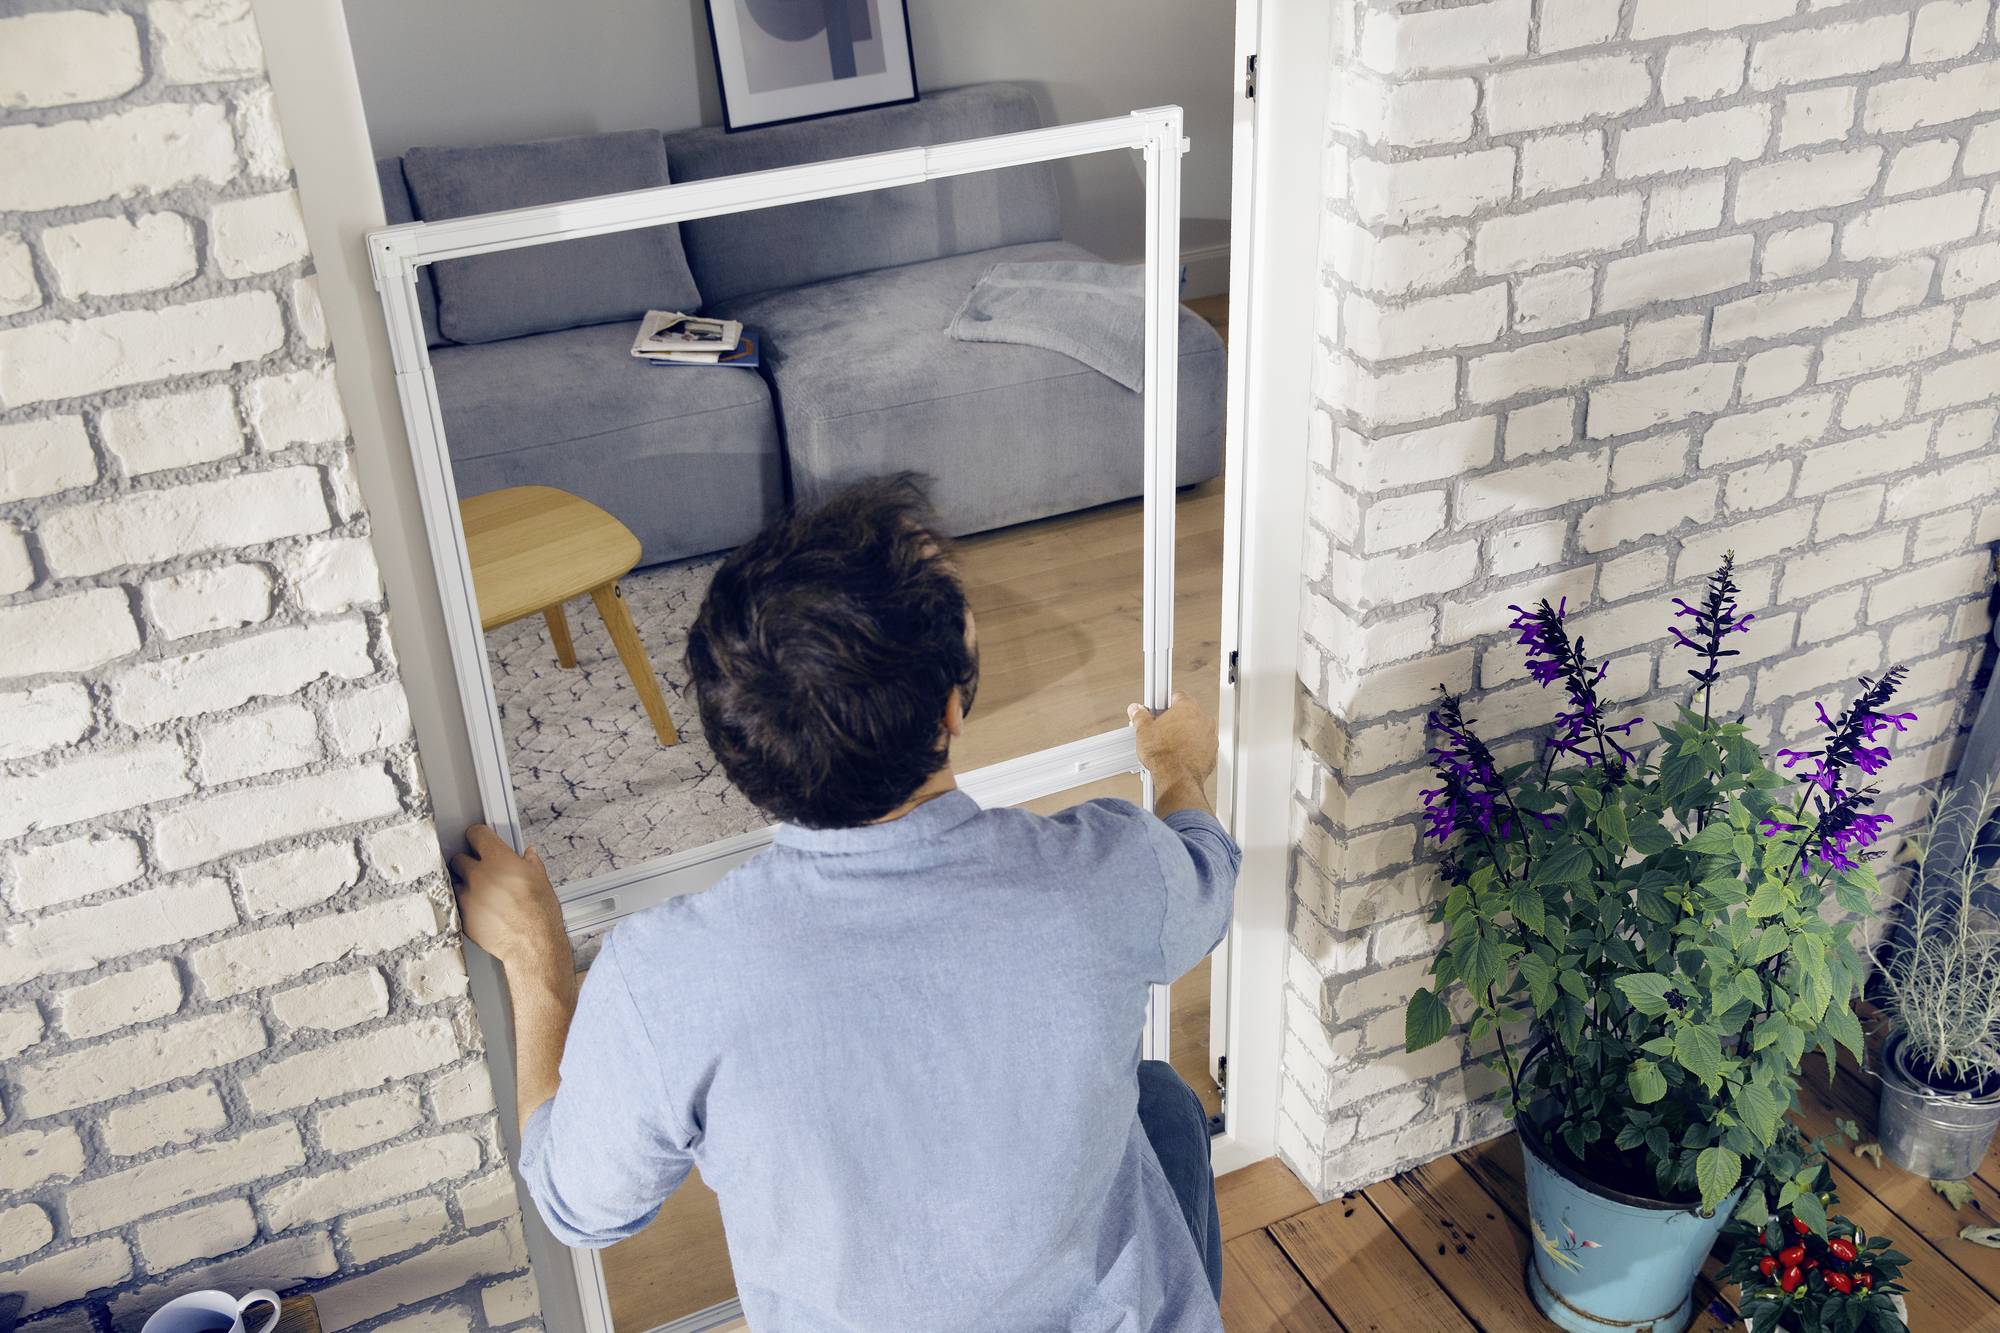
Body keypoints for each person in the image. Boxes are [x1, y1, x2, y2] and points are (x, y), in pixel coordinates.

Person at [452, 476, 1240, 1332]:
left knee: (1157, 1100)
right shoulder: (1103, 874)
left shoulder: (669, 977)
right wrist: (1177, 767)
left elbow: (578, 1202)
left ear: (738, 746)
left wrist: (538, 966)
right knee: (1159, 1100)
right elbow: (1206, 875)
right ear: (952, 710)